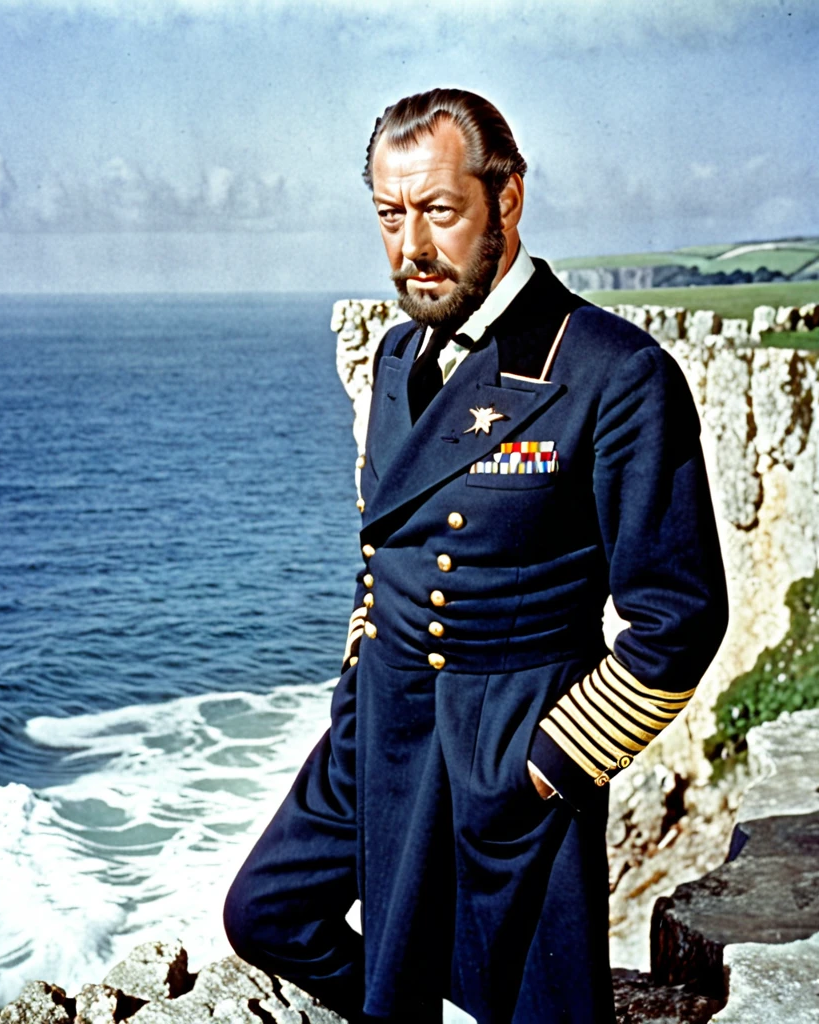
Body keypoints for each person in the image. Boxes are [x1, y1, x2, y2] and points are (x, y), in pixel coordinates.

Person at [224, 88, 728, 1024]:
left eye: (439, 211)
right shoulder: (391, 360)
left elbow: (680, 615)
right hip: (381, 721)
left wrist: (546, 760)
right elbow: (383, 551)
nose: (411, 246)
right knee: (266, 911)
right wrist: (353, 691)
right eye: (389, 214)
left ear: (508, 200)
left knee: (534, 1005)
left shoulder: (613, 373)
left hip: (508, 737)